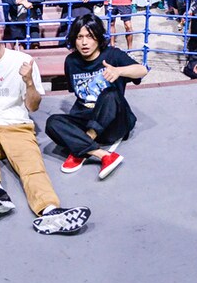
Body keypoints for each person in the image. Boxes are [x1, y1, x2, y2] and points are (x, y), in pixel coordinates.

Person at [0, 17, 91, 235]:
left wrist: (29, 82)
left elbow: (33, 106)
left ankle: (50, 211)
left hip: (17, 126)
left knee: (32, 168)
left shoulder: (22, 61)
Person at [44, 14, 146, 178]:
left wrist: (119, 71)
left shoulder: (113, 55)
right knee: (52, 122)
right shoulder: (71, 61)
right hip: (86, 118)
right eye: (79, 37)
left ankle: (82, 144)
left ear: (98, 38)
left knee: (110, 93)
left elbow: (142, 70)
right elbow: (79, 95)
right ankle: (102, 155)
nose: (84, 43)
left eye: (90, 37)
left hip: (114, 122)